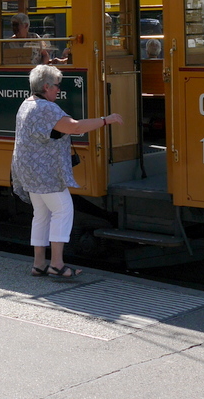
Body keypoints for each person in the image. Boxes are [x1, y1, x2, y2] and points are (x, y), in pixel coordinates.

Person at [11, 64, 122, 278]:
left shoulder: (26, 104)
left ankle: (39, 263)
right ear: (45, 86)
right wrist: (106, 120)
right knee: (63, 210)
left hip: (28, 170)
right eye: (56, 86)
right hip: (45, 173)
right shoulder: (46, 108)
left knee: (41, 215)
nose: (59, 90)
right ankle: (57, 264)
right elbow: (75, 127)